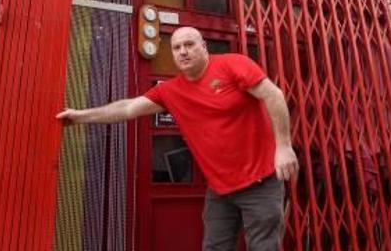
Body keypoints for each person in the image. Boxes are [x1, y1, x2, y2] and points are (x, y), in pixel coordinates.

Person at [57, 26, 299, 251]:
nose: (183, 51)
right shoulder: (170, 91)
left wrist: (284, 147)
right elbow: (128, 108)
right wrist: (80, 116)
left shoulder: (233, 65)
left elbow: (273, 95)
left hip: (260, 181)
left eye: (189, 44)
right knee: (214, 247)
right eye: (176, 47)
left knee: (263, 247)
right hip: (221, 191)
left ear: (204, 46)